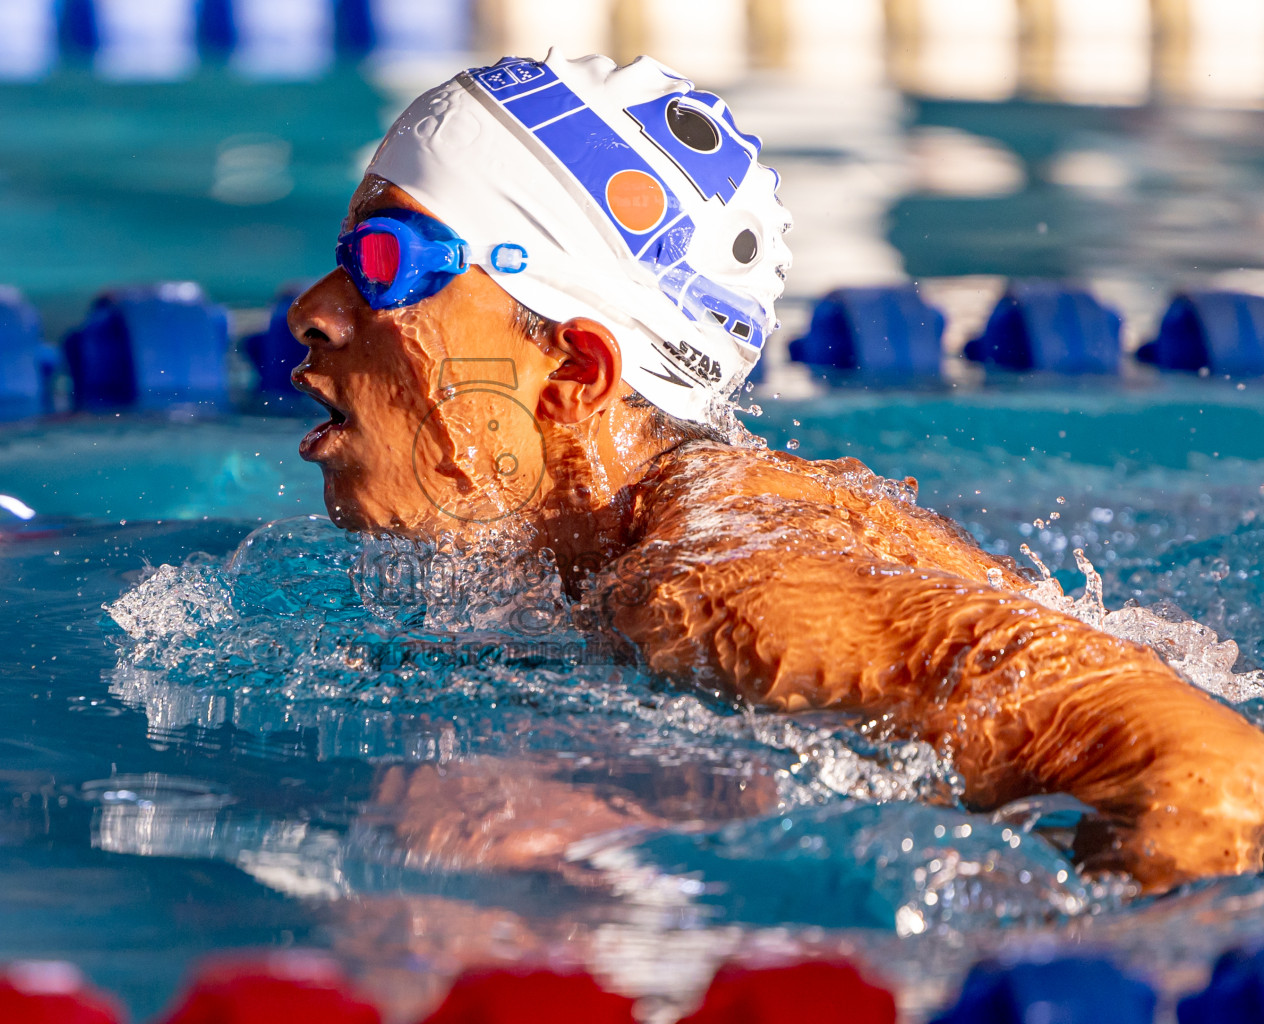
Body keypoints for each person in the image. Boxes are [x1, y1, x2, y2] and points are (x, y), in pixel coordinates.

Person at [287, 50, 1264, 892]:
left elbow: (1214, 772)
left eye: (387, 264)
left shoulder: (715, 586)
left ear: (578, 372)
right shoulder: (650, 546)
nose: (312, 311)